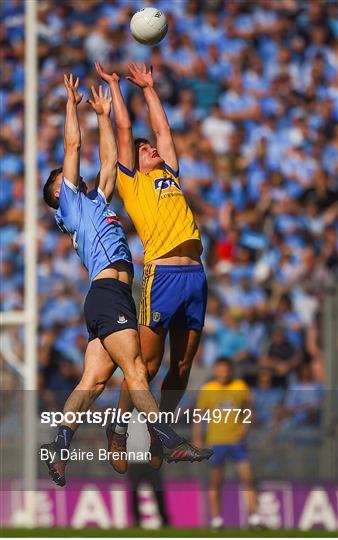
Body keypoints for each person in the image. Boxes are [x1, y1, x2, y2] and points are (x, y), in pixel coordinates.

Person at [40, 74, 213, 486]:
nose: (72, 178)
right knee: (136, 370)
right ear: (58, 196)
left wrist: (101, 113)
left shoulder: (96, 200)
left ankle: (59, 443)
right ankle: (167, 439)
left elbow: (106, 160)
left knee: (93, 380)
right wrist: (71, 105)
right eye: (62, 180)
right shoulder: (69, 207)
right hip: (108, 293)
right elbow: (74, 147)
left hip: (110, 296)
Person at [95, 62, 208, 471]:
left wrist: (150, 89)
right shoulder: (133, 183)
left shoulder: (170, 174)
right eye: (144, 151)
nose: (151, 150)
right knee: (146, 364)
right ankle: (120, 431)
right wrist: (115, 87)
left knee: (181, 366)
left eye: (150, 148)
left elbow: (164, 132)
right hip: (162, 276)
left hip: (195, 275)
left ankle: (165, 435)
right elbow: (126, 133)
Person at [193, 357, 261, 530]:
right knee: (216, 481)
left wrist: (245, 427)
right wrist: (197, 438)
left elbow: (249, 408)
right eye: (220, 369)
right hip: (216, 441)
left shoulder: (239, 386)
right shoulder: (208, 389)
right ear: (216, 371)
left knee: (248, 478)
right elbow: (198, 416)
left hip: (237, 441)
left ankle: (254, 518)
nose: (223, 373)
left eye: (226, 369)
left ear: (230, 370)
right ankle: (216, 519)